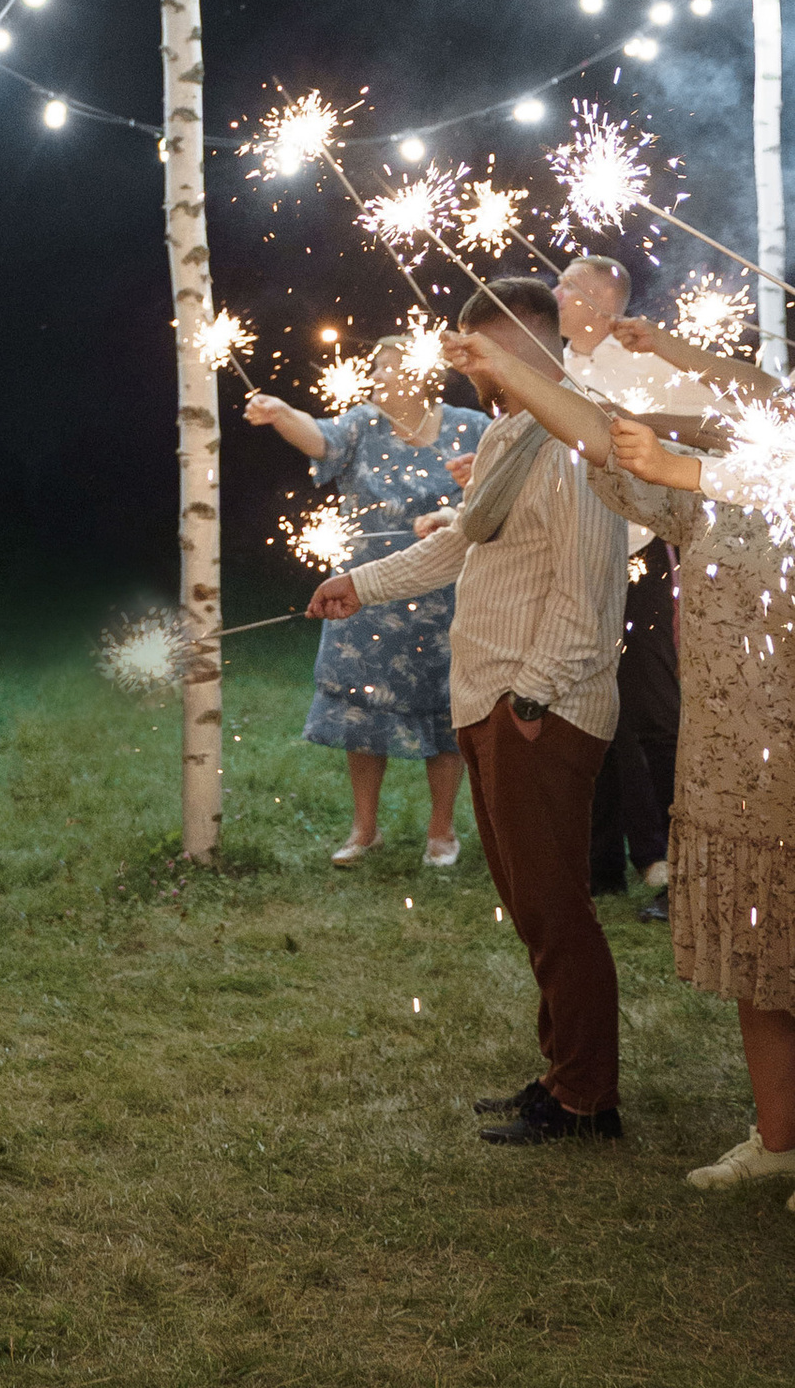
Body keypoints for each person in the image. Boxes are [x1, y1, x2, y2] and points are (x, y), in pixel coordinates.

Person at [433, 313, 794, 1205]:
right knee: (765, 957)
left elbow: (750, 450)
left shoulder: (757, 472)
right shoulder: (700, 489)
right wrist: (508, 372)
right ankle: (782, 1137)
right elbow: (601, 439)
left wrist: (683, 452)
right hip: (731, 757)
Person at [307, 279, 629, 1147]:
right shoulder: (510, 434)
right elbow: (462, 543)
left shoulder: (576, 434)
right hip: (491, 701)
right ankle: (563, 1077)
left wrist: (531, 695)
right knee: (532, 906)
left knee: (557, 908)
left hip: (540, 708)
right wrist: (359, 584)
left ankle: (587, 1099)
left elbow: (589, 587)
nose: (470, 373)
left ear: (522, 345)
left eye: (480, 354)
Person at [245, 339, 485, 868]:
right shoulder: (361, 423)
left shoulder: (471, 425)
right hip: (365, 593)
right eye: (374, 366)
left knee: (446, 709)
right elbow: (317, 440)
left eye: (385, 366)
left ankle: (441, 832)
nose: (374, 374)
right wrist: (282, 412)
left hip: (445, 591)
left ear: (422, 374)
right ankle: (364, 829)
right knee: (363, 705)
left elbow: (498, 490)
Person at [554, 254, 703, 916]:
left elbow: (705, 441)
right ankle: (604, 858)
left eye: (566, 285)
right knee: (591, 703)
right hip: (578, 554)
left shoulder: (647, 367)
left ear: (598, 301)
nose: (554, 293)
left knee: (652, 711)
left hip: (638, 553)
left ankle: (678, 862)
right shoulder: (558, 364)